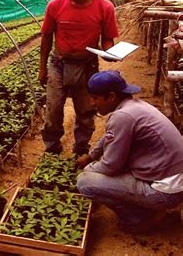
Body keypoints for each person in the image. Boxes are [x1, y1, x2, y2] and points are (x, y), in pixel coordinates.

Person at [76, 70, 183, 233]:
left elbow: (110, 166)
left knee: (85, 182)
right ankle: (148, 209)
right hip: (173, 180)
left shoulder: (123, 116)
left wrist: (89, 169)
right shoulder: (134, 107)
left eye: (95, 98)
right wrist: (91, 156)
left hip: (166, 192)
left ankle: (137, 219)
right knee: (105, 170)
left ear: (111, 96)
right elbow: (108, 137)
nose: (92, 103)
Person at [39, 0, 119, 155]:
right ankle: (52, 147)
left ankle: (81, 147)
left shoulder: (105, 7)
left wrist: (111, 52)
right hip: (59, 64)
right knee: (54, 108)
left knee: (85, 110)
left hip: (87, 65)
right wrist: (42, 68)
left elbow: (107, 38)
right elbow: (46, 37)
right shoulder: (55, 6)